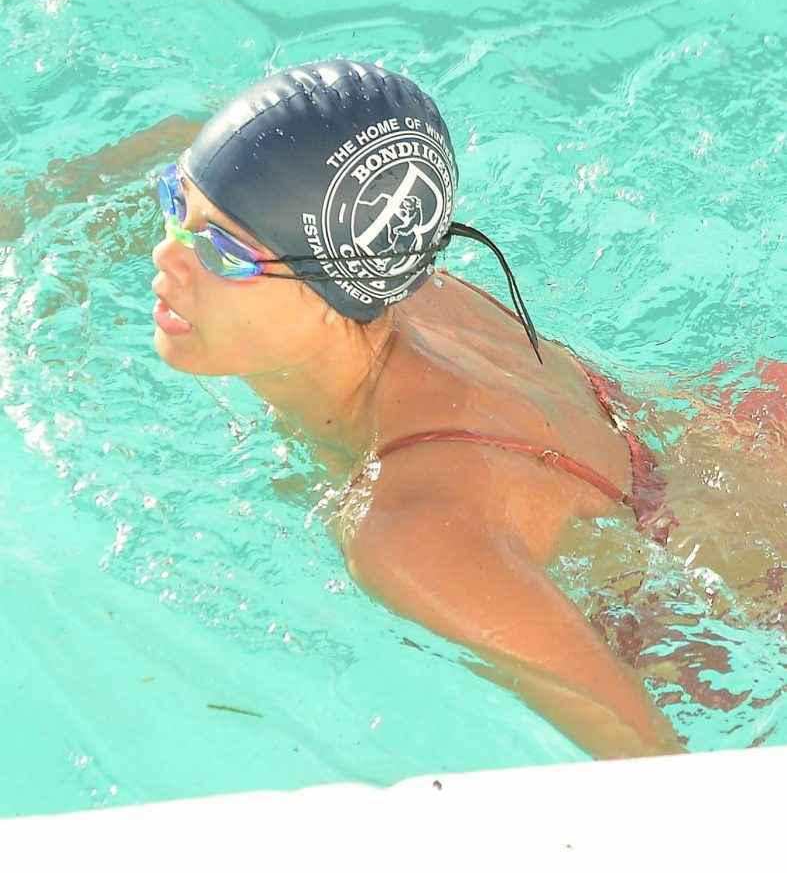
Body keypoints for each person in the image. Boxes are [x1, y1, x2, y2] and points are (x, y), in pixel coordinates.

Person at [148, 59, 783, 759]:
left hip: (745, 600)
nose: (166, 255)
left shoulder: (412, 531)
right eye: (175, 201)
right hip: (737, 429)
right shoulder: (392, 274)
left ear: (330, 288)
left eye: (223, 251)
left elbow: (653, 765)